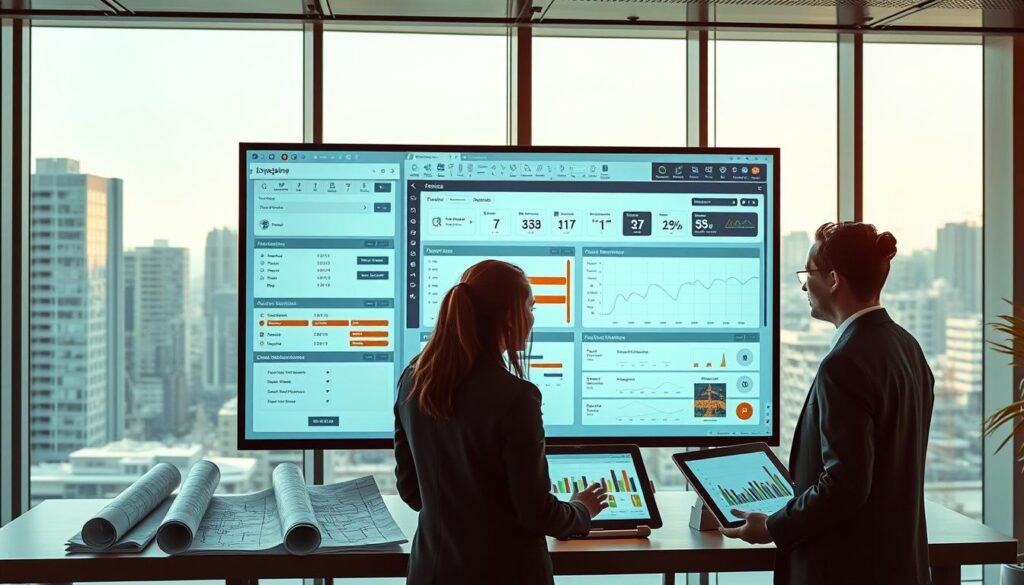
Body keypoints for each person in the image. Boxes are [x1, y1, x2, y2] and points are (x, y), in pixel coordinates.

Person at [721, 222, 935, 585]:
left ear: (834, 279)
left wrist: (773, 526)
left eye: (810, 273)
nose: (804, 284)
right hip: (899, 564)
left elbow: (846, 485)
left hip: (848, 568)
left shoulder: (845, 362)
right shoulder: (907, 347)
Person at [394, 259, 608, 585]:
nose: (533, 319)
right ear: (509, 316)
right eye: (530, 307)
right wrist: (581, 510)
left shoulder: (412, 379)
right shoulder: (517, 397)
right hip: (505, 573)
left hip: (431, 572)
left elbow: (411, 491)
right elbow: (536, 514)